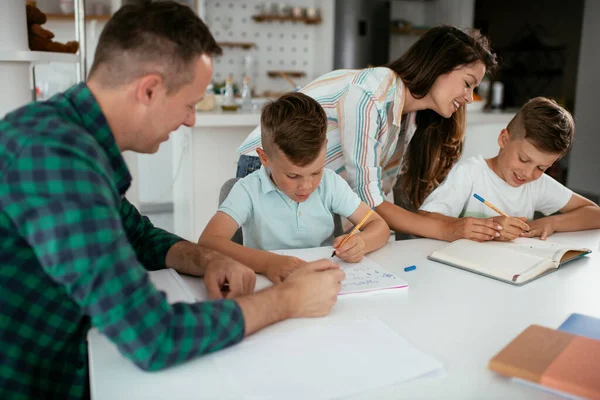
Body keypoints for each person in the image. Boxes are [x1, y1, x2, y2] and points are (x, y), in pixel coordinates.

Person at [0, 3, 344, 399]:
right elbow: (153, 336)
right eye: (190, 104)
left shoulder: (71, 137)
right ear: (148, 89)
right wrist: (285, 301)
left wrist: (209, 258)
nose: (191, 121)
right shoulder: (55, 159)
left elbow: (137, 235)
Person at [237, 25, 500, 242]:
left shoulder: (408, 117)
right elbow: (370, 202)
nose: (469, 97)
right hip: (270, 166)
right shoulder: (372, 95)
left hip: (307, 180)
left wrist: (451, 227)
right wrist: (449, 230)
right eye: (468, 84)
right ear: (440, 65)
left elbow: (378, 201)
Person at [199, 92, 390, 283]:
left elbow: (379, 226)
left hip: (321, 282)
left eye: (316, 172)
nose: (307, 186)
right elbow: (209, 241)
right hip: (266, 285)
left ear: (324, 147)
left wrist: (362, 243)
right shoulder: (248, 190)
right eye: (293, 176)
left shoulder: (331, 184)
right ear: (265, 158)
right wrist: (267, 263)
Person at [418, 97, 600, 241]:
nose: (528, 173)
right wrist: (488, 226)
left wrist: (552, 222)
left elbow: (595, 214)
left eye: (541, 167)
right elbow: (424, 220)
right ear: (504, 139)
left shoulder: (536, 185)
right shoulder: (470, 174)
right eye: (523, 159)